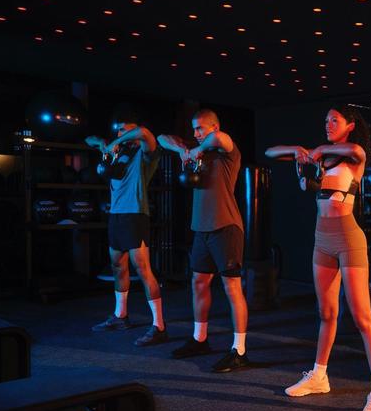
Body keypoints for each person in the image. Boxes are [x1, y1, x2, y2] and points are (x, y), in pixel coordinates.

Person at [264, 105, 371, 411]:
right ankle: (319, 375)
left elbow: (355, 149)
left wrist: (318, 150)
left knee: (362, 316)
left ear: (349, 125)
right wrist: (297, 151)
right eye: (325, 120)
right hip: (322, 239)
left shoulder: (352, 156)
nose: (328, 124)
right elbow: (269, 152)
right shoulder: (319, 160)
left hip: (349, 238)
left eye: (334, 120)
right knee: (327, 313)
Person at [157, 109, 249, 373]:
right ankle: (200, 339)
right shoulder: (196, 151)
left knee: (232, 288)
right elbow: (163, 138)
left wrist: (197, 149)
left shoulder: (227, 153)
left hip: (226, 228)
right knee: (198, 283)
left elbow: (220, 139)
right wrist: (183, 151)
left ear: (214, 127)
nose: (196, 134)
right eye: (193, 129)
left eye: (200, 128)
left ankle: (239, 351)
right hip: (201, 230)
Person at [84, 120, 167, 347]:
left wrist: (119, 140)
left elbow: (146, 132)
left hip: (135, 214)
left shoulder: (144, 152)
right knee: (118, 266)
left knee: (143, 269)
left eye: (124, 129)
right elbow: (88, 139)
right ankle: (121, 317)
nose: (119, 133)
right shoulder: (116, 151)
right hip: (116, 215)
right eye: (118, 130)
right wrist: (105, 144)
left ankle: (159, 326)